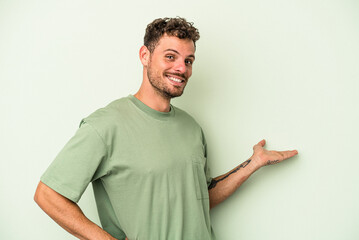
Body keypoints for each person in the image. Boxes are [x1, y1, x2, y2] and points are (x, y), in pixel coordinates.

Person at [34, 17, 298, 240]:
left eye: (189, 60)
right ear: (145, 56)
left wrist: (253, 163)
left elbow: (199, 199)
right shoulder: (105, 125)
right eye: (170, 57)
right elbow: (48, 194)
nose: (181, 68)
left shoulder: (191, 127)